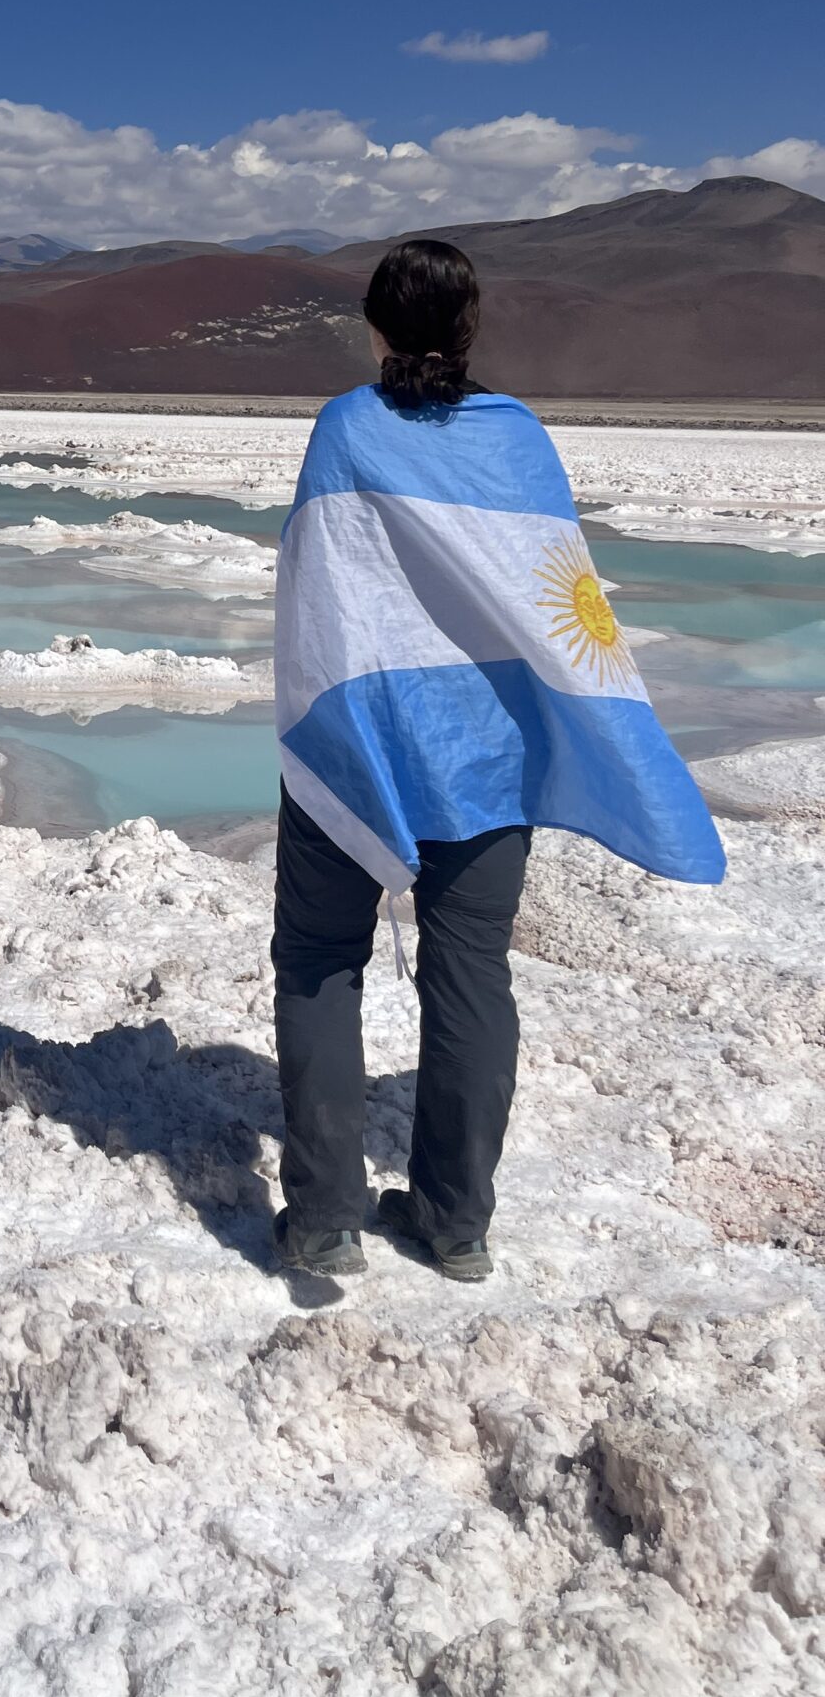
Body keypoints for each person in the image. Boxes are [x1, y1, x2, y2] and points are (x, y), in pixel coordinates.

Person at [269, 237, 725, 1280]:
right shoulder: (517, 439)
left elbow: (321, 586)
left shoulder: (345, 426)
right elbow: (557, 593)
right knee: (471, 975)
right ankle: (454, 1221)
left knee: (320, 960)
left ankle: (329, 1220)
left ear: (377, 328)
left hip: (366, 738)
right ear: (468, 328)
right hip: (485, 757)